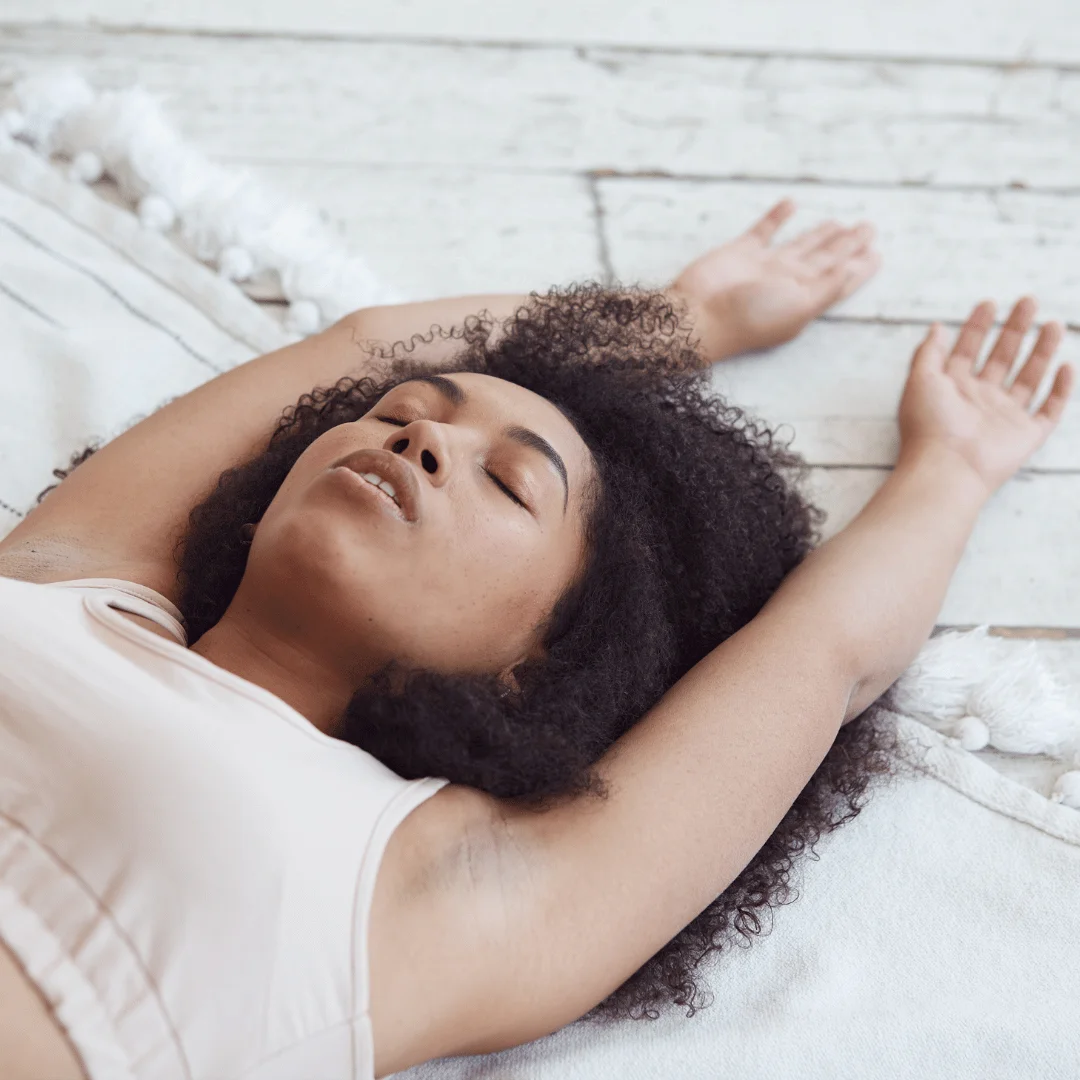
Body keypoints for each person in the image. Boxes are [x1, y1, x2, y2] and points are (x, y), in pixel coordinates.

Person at [0, 198, 1072, 1080]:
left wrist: (954, 469)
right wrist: (680, 318)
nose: (419, 436)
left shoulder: (453, 890)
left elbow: (825, 654)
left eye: (510, 483)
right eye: (404, 415)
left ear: (540, 664)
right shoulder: (70, 583)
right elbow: (361, 346)